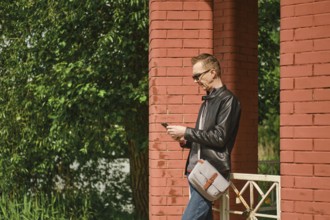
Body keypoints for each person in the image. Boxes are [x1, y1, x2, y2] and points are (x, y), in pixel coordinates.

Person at [165, 53, 241, 220]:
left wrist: (186, 131)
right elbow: (205, 138)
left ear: (212, 72)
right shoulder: (207, 101)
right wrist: (186, 140)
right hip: (195, 172)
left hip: (210, 172)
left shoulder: (228, 100)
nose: (195, 81)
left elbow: (220, 138)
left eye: (197, 76)